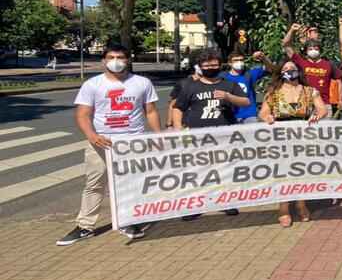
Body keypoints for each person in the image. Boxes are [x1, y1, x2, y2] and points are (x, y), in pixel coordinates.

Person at [57, 45, 161, 246]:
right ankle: (85, 226)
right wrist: (92, 135)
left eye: (120, 57)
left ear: (128, 60)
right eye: (111, 57)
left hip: (133, 142)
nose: (116, 60)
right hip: (102, 142)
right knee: (95, 184)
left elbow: (151, 112)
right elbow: (83, 114)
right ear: (103, 61)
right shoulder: (92, 84)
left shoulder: (142, 83)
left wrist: (158, 136)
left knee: (132, 184)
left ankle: (131, 220)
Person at [172, 49, 250, 220]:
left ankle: (226, 202)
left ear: (220, 65)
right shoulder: (190, 86)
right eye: (206, 65)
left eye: (214, 64)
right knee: (198, 172)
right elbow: (178, 107)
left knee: (224, 170)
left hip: (224, 136)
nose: (210, 67)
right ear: (200, 67)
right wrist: (178, 128)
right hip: (197, 137)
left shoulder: (228, 84)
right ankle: (196, 205)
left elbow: (246, 102)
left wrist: (229, 97)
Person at [259, 61, 327, 227]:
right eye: (286, 69)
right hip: (281, 137)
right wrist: (267, 117)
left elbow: (322, 109)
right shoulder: (273, 92)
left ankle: (301, 204)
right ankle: (283, 208)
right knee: (283, 173)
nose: (290, 71)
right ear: (281, 73)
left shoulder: (309, 91)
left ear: (299, 71)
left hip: (303, 136)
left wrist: (317, 116)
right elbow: (263, 111)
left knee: (300, 172)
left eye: (293, 68)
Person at [283, 23, 340, 109]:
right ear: (306, 51)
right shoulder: (301, 62)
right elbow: (286, 45)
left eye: (316, 49)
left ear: (320, 50)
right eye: (310, 49)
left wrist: (340, 100)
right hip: (305, 104)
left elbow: (339, 81)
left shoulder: (328, 64)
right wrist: (292, 30)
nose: (313, 50)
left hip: (325, 105)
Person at [221, 50, 274, 123]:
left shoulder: (249, 74)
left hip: (250, 115)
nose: (239, 62)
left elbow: (271, 69)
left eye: (241, 60)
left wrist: (263, 57)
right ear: (230, 63)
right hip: (230, 115)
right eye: (236, 60)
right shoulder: (223, 76)